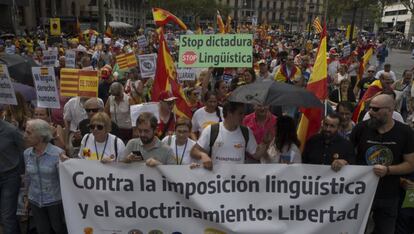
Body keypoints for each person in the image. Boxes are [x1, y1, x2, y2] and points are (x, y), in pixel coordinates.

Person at [350, 94, 414, 234]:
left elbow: (410, 164)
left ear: (390, 110)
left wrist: (388, 170)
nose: (370, 112)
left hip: (389, 195)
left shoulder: (405, 132)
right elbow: (348, 156)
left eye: (375, 109)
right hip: (361, 193)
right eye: (370, 108)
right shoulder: (361, 129)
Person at [23, 119, 67, 234]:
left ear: (41, 136)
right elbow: (28, 177)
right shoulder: (27, 153)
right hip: (35, 200)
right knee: (42, 230)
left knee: (59, 229)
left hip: (55, 201)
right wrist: (27, 197)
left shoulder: (58, 154)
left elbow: (64, 181)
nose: (24, 136)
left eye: (29, 133)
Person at [190, 101, 258, 169]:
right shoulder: (211, 130)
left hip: (238, 178)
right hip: (216, 178)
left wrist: (265, 142)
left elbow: (257, 155)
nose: (243, 116)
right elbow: (193, 151)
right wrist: (203, 155)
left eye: (243, 113)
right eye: (240, 113)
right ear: (229, 113)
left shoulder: (246, 132)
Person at [0, 118, 24, 234]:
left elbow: (24, 151)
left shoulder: (11, 131)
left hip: (9, 177)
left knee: (7, 216)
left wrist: (22, 173)